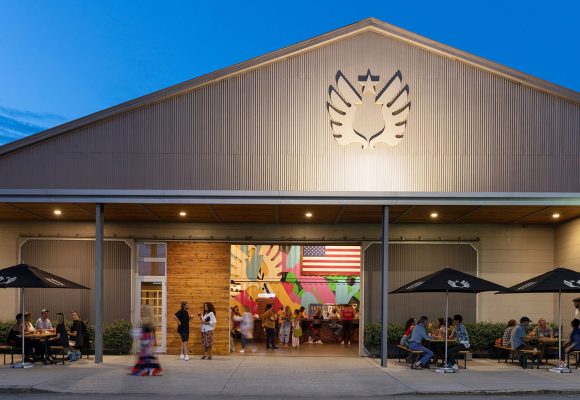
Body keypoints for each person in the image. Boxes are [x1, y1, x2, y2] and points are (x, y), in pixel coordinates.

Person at [131, 305, 163, 376]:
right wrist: (154, 342)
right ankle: (150, 369)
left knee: (145, 355)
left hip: (145, 339)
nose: (141, 311)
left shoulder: (145, 319)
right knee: (148, 355)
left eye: (143, 310)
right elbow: (153, 332)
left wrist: (137, 329)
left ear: (146, 311)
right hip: (148, 339)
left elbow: (142, 330)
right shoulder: (151, 320)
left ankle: (145, 369)